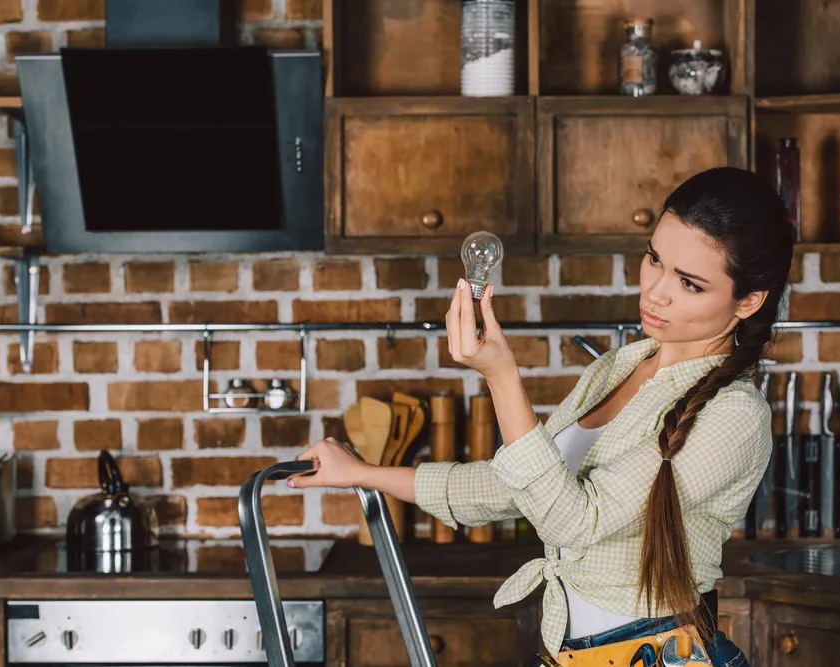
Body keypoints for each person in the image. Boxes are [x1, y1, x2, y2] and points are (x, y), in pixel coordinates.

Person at [288, 166, 796, 667]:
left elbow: (574, 521)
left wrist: (501, 376)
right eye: (654, 260)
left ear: (749, 300)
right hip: (570, 654)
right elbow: (514, 486)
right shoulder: (617, 367)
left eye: (689, 283)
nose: (656, 291)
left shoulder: (734, 414)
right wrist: (360, 473)